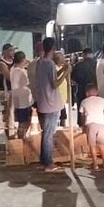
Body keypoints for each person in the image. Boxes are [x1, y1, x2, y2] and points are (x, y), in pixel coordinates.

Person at [33, 37, 68, 173]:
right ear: (53, 48)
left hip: (43, 102)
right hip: (51, 104)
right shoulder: (50, 64)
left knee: (45, 134)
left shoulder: (40, 62)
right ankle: (48, 163)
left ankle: (44, 161)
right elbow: (54, 84)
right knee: (48, 135)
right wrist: (66, 73)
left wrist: (62, 70)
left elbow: (51, 78)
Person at [79, 84, 104, 171]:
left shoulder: (84, 102)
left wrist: (83, 126)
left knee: (92, 145)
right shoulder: (102, 100)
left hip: (90, 124)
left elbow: (82, 116)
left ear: (86, 93)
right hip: (101, 125)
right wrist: (101, 118)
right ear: (97, 92)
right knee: (101, 144)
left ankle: (95, 164)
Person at [71, 47, 98, 126]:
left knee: (82, 110)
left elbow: (73, 79)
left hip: (81, 91)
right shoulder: (97, 64)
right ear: (91, 54)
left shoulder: (78, 65)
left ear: (83, 55)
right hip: (95, 91)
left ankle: (82, 126)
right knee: (94, 110)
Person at [10, 51, 33, 139]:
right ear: (23, 59)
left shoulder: (12, 69)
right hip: (24, 100)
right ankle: (21, 139)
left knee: (22, 121)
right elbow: (29, 83)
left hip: (17, 99)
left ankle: (21, 138)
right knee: (24, 122)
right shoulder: (22, 71)